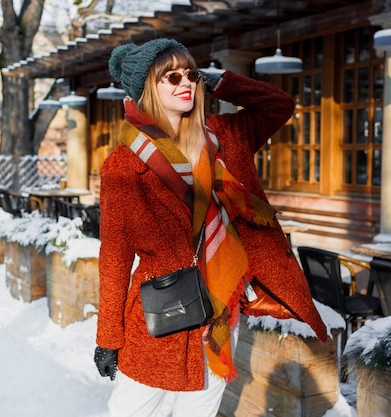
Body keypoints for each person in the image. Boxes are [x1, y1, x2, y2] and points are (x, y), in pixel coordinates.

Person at [94, 38, 328, 417]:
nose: (185, 82)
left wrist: (222, 81)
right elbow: (114, 258)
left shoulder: (223, 135)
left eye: (191, 74)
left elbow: (278, 106)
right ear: (146, 90)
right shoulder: (123, 166)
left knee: (201, 410)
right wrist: (108, 338)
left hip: (220, 307)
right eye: (170, 77)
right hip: (158, 315)